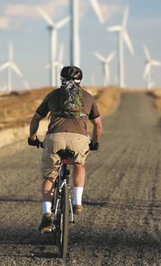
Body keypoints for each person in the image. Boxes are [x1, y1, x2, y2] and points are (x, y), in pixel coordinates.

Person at [28, 66, 102, 233]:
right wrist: (95, 143)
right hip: (79, 140)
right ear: (80, 81)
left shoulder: (53, 95)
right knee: (79, 165)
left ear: (61, 79)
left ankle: (47, 214)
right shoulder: (88, 97)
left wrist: (32, 137)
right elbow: (98, 125)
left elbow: (36, 119)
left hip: (55, 138)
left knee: (50, 175)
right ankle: (77, 202)